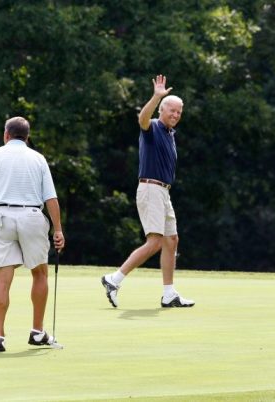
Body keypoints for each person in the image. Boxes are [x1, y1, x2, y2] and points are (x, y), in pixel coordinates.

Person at [0, 116, 65, 352]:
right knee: (39, 273)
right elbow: (51, 198)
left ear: (6, 135)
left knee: (2, 279)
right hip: (31, 216)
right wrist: (58, 229)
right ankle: (37, 332)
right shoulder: (38, 159)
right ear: (27, 137)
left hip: (1, 217)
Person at [101, 75, 194, 309]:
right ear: (162, 110)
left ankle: (169, 294)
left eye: (179, 112)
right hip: (151, 189)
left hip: (163, 192)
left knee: (171, 239)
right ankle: (114, 279)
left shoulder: (170, 134)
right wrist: (156, 96)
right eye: (172, 110)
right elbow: (142, 118)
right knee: (154, 242)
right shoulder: (152, 127)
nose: (175, 115)